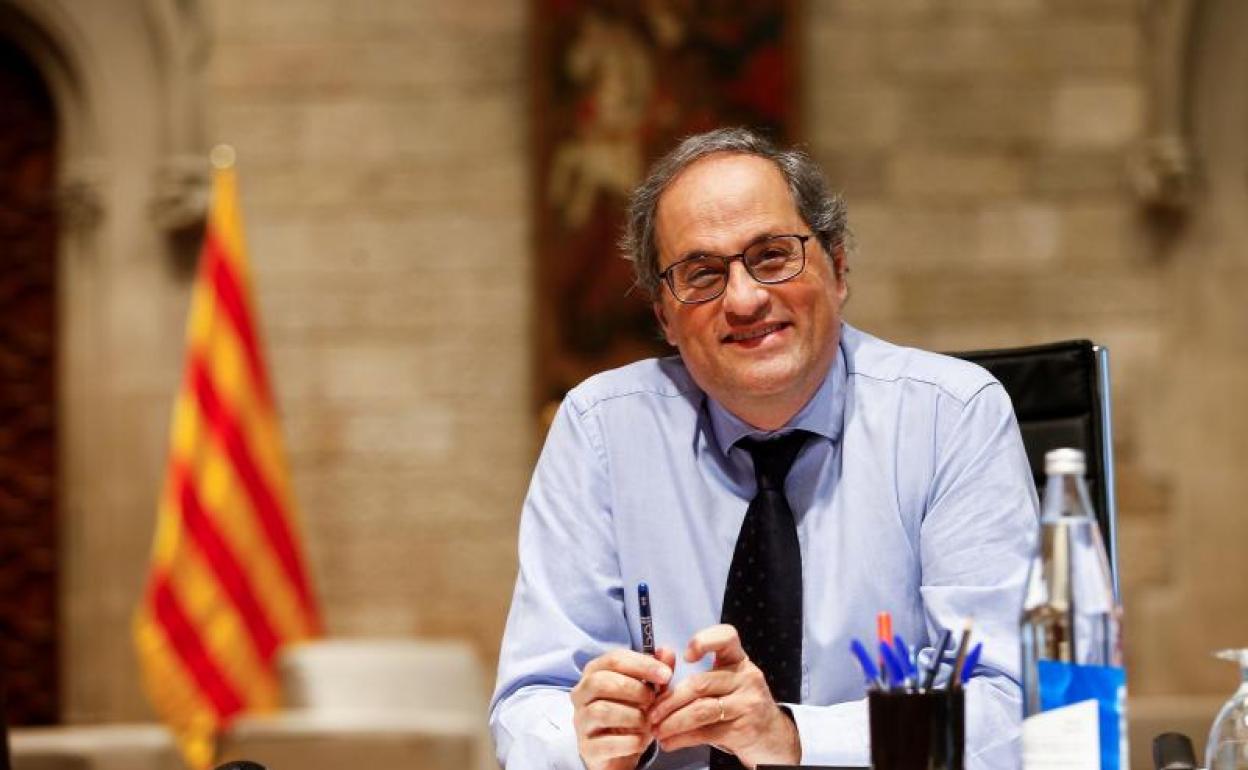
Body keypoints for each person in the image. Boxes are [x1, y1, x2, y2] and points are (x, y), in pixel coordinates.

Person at [489, 127, 1037, 770]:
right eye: (702, 274)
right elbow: (529, 703)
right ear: (664, 317)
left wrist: (791, 739)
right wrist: (584, 741)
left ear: (838, 268)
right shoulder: (600, 430)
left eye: (773, 256)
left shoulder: (953, 418)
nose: (745, 299)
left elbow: (1011, 707)